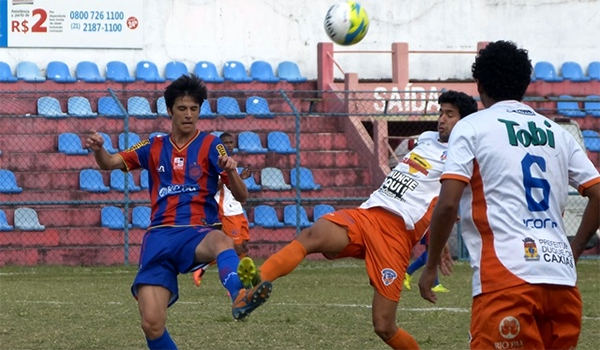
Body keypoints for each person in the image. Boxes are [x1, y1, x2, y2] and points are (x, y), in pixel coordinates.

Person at [238, 90, 478, 350]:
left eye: (449, 114)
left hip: (395, 235)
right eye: (440, 112)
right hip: (367, 214)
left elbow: (447, 202)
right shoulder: (427, 139)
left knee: (384, 326)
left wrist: (437, 241)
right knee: (312, 235)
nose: (441, 118)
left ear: (464, 122)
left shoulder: (463, 157)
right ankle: (254, 286)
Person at [418, 40, 600, 350]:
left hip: (506, 278)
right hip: (561, 280)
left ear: (480, 85)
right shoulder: (556, 132)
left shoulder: (472, 127)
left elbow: (448, 203)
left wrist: (431, 264)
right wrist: (576, 248)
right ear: (525, 84)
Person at [85, 75, 272, 350]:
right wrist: (100, 149)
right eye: (182, 108)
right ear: (170, 110)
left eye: (194, 109)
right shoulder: (153, 145)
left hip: (194, 232)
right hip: (158, 237)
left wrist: (230, 170)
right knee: (151, 324)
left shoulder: (211, 144)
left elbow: (243, 196)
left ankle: (240, 296)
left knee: (222, 240)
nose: (188, 115)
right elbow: (109, 163)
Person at [192, 132, 254, 287]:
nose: (229, 145)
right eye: (225, 143)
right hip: (226, 211)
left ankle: (240, 279)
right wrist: (228, 175)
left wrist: (240, 177)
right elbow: (215, 186)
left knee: (244, 246)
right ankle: (203, 267)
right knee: (235, 246)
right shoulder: (217, 164)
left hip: (237, 210)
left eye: (231, 142)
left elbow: (234, 186)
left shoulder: (231, 164)